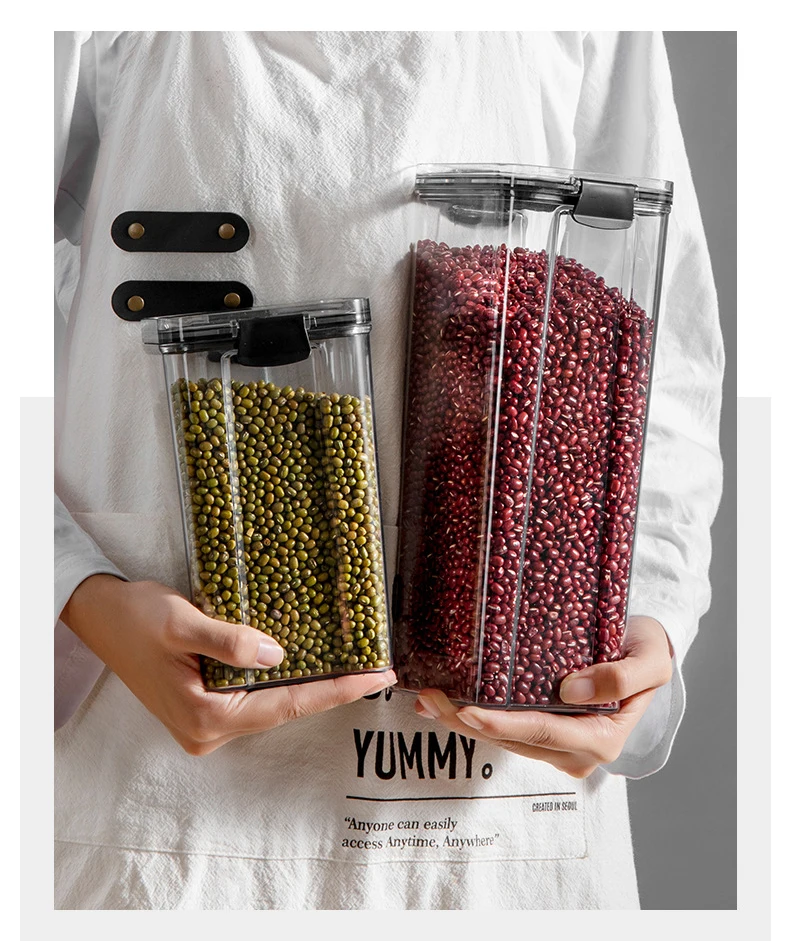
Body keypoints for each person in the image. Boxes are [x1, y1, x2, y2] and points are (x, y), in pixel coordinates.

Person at [54, 30, 724, 909]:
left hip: (501, 792)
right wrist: (77, 591)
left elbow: (659, 350)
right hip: (160, 800)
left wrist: (642, 626)